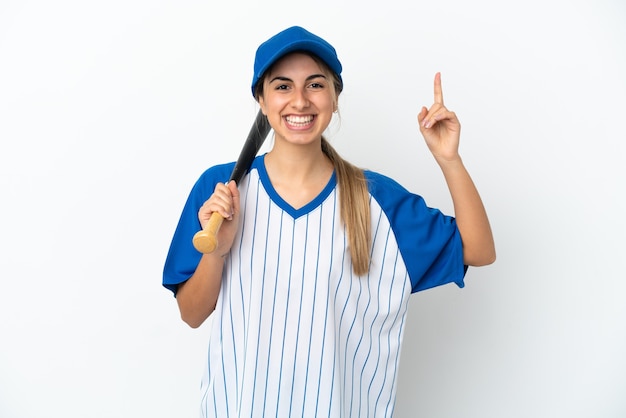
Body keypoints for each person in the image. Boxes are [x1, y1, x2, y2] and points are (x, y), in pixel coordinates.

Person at [163, 25, 495, 418]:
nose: (300, 101)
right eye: (283, 86)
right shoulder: (222, 192)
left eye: (315, 85)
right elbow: (192, 313)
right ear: (262, 99)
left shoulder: (376, 200)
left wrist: (448, 159)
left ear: (335, 97)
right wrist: (217, 252)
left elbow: (479, 250)